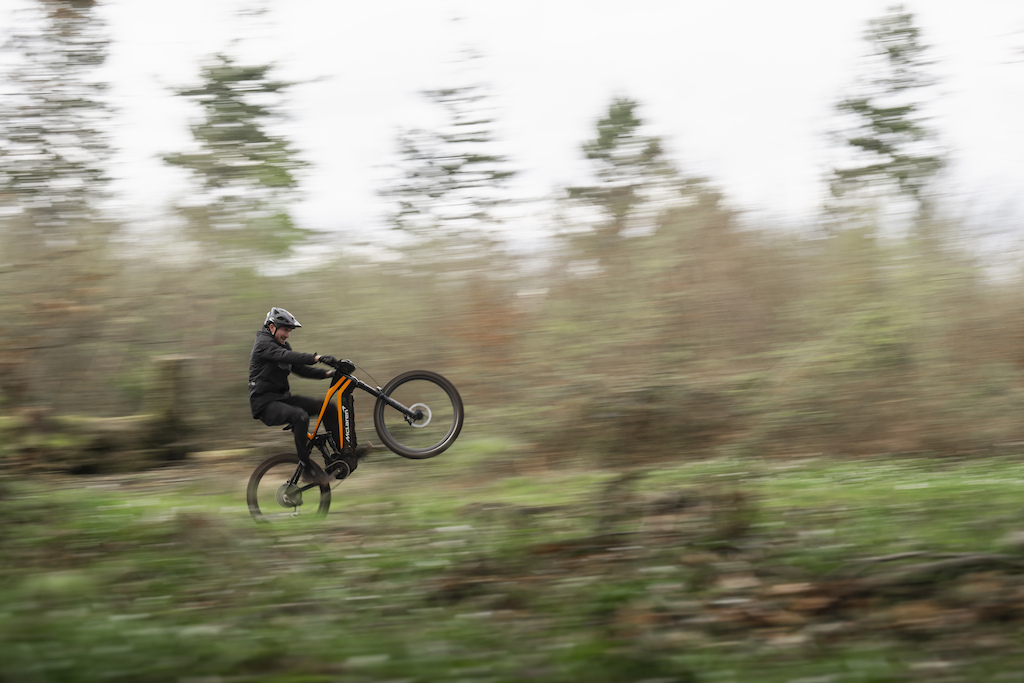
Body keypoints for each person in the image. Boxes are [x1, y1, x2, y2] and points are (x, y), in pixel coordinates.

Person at [248, 307, 369, 484]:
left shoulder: (282, 345)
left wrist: (329, 374)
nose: (288, 335)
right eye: (285, 330)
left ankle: (344, 454)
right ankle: (307, 470)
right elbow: (287, 356)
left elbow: (300, 369)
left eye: (289, 331)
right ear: (272, 327)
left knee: (327, 408)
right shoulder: (263, 345)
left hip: (283, 399)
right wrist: (318, 357)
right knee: (300, 417)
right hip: (265, 404)